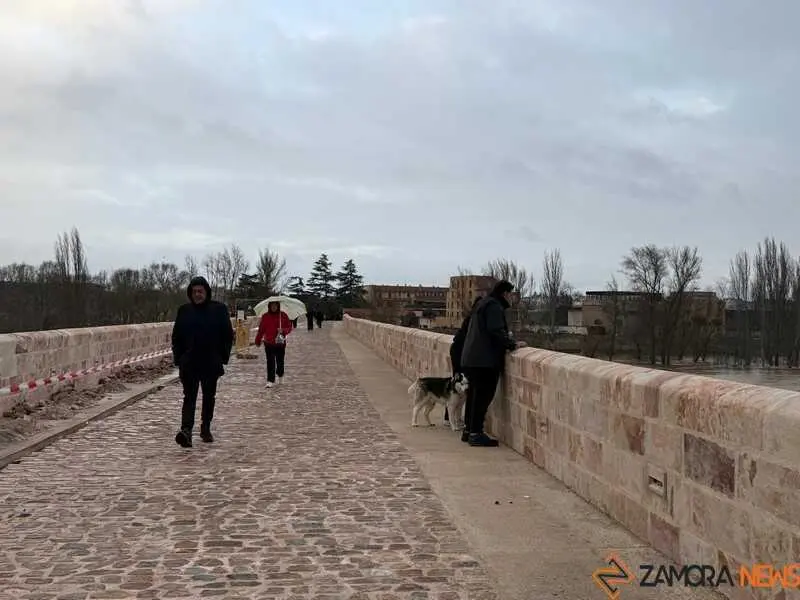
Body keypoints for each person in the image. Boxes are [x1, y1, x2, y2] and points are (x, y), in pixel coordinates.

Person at [171, 276, 234, 447]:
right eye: (194, 292)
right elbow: (176, 337)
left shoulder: (219, 309)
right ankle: (186, 431)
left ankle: (205, 427)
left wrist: (222, 357)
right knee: (189, 398)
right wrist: (179, 359)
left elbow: (228, 335)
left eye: (200, 291)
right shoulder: (184, 311)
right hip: (189, 363)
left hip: (210, 362)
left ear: (206, 292)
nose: (197, 294)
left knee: (208, 397)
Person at [460, 280, 523, 446]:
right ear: (505, 293)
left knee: (473, 395)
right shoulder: (494, 306)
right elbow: (495, 330)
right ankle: (476, 433)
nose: (512, 298)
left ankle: (468, 431)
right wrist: (512, 344)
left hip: (471, 357)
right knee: (482, 396)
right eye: (511, 294)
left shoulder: (482, 304)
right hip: (484, 360)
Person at [445, 296, 482, 426]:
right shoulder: (474, 319)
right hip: (460, 352)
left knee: (456, 382)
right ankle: (451, 418)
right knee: (457, 382)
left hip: (458, 350)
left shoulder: (471, 317)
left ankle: (451, 417)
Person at [255, 300, 293, 388]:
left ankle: (280, 374)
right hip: (268, 343)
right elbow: (261, 330)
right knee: (270, 361)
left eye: (275, 305)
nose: (274, 307)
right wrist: (257, 340)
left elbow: (289, 327)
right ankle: (270, 380)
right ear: (269, 306)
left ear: (278, 306)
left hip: (280, 343)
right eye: (272, 306)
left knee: (280, 361)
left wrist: (283, 330)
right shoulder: (265, 316)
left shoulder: (283, 315)